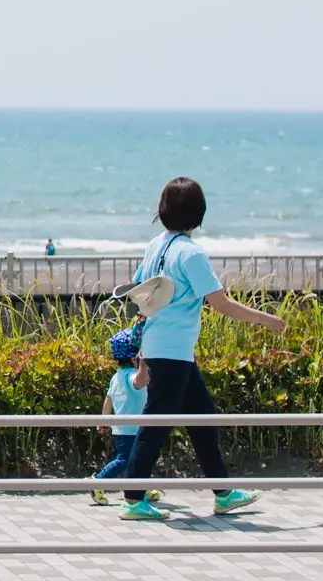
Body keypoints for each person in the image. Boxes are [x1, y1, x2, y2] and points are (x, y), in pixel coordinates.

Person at [117, 176, 287, 521]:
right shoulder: (190, 253)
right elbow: (220, 303)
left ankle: (223, 493)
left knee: (202, 418)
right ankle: (133, 499)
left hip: (163, 347)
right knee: (155, 423)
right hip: (174, 350)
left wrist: (145, 355)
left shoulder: (156, 245)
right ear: (198, 214)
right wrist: (267, 320)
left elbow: (140, 294)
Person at [88, 331, 147, 506]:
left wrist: (104, 419)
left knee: (141, 458)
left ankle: (143, 486)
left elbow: (109, 398)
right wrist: (146, 364)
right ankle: (98, 481)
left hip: (125, 428)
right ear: (134, 358)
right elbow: (139, 382)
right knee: (125, 459)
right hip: (132, 429)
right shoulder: (130, 375)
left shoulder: (116, 377)